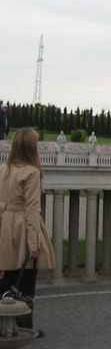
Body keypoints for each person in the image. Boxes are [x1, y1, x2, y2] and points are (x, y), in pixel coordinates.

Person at [0, 127, 56, 332]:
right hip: (22, 229)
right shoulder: (31, 172)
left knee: (6, 278)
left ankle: (4, 323)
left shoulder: (3, 169)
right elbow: (32, 210)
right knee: (25, 282)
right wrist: (34, 244)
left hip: (5, 227)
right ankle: (23, 327)